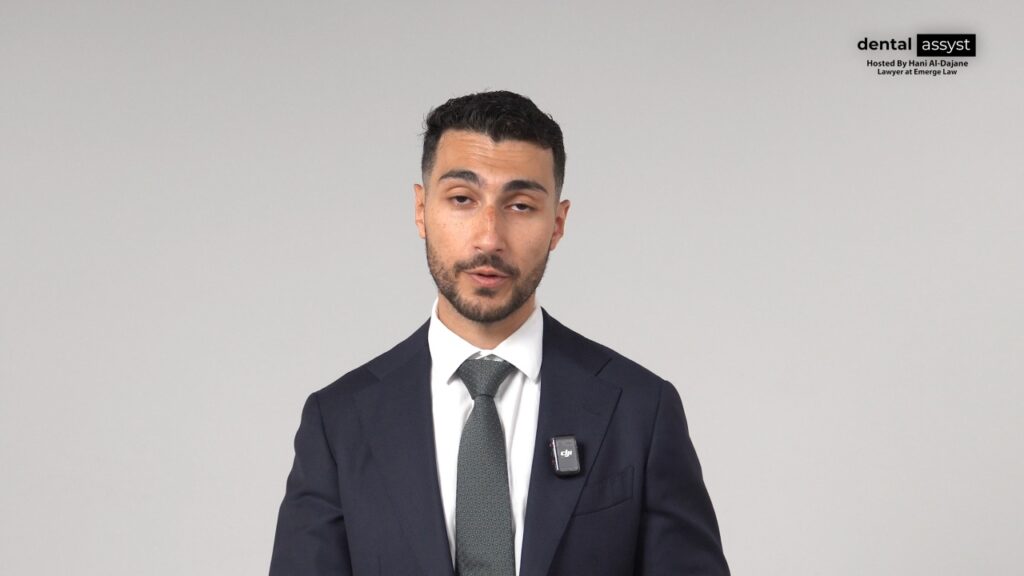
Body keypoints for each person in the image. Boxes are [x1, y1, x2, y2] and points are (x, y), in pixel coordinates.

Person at [270, 90, 729, 576]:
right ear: (421, 209)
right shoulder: (339, 422)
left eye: (521, 206)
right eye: (462, 199)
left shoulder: (640, 411)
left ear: (557, 224)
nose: (489, 238)